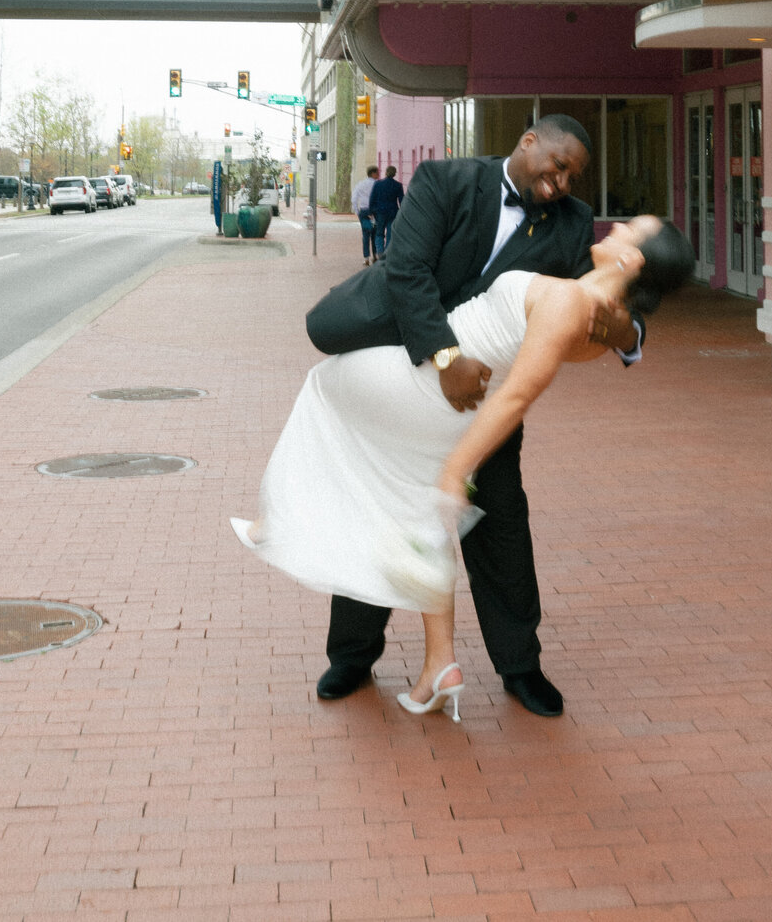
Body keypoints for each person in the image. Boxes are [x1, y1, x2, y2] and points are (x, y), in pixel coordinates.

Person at [231, 216, 683, 720]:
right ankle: (438, 665)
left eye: (630, 229)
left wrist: (458, 467)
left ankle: (278, 518)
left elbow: (517, 397)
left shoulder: (576, 304)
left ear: (633, 259)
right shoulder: (592, 312)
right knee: (415, 515)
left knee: (324, 386)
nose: (615, 225)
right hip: (445, 394)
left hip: (432, 391)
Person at [299, 115, 641, 717]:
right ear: (527, 140)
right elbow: (408, 271)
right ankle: (351, 656)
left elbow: (582, 313)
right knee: (381, 508)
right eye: (557, 164)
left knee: (502, 524)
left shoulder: (573, 225)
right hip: (401, 362)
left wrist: (624, 331)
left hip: (483, 404)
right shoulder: (444, 180)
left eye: (574, 175)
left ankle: (521, 665)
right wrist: (445, 356)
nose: (561, 182)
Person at [369, 164, 404, 260]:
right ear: (395, 174)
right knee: (390, 233)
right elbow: (401, 201)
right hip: (393, 212)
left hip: (380, 212)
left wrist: (372, 211)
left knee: (379, 233)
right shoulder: (398, 185)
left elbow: (372, 198)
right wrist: (402, 213)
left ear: (386, 172)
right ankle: (387, 252)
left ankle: (380, 252)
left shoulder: (378, 184)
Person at [351, 164, 379, 265]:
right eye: (377, 173)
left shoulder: (360, 184)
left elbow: (354, 198)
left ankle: (366, 258)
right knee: (375, 234)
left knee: (365, 235)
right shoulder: (377, 184)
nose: (378, 175)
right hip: (375, 212)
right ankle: (375, 256)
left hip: (364, 211)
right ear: (373, 173)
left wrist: (357, 211)